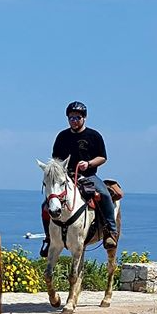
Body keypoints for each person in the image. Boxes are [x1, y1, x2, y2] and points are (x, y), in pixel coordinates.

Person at [40, 100, 118, 257]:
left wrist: (88, 163)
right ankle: (49, 238)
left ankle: (110, 231)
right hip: (66, 176)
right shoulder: (62, 136)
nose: (74, 121)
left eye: (77, 117)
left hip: (88, 175)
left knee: (104, 194)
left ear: (84, 118)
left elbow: (102, 157)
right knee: (46, 206)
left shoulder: (94, 136)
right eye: (71, 118)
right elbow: (56, 160)